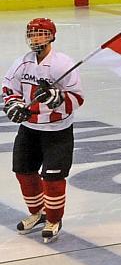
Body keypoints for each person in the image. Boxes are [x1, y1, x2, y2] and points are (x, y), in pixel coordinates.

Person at [2, 18, 84, 243]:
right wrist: (14, 105)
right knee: (23, 172)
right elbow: (9, 88)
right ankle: (38, 213)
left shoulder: (62, 63)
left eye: (40, 33)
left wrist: (55, 97)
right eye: (32, 34)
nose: (34, 38)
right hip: (29, 129)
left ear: (51, 36)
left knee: (53, 178)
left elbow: (77, 99)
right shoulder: (22, 62)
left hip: (57, 131)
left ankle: (54, 219)